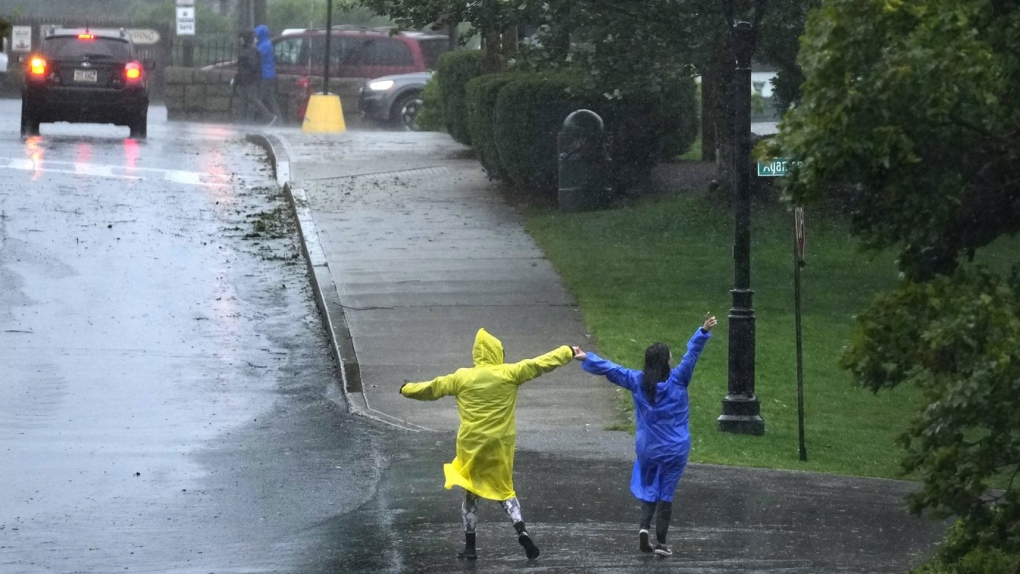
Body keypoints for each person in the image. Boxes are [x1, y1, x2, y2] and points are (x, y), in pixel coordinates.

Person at [399, 328, 577, 561]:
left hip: (470, 446)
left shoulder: (461, 377)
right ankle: (521, 530)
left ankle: (470, 547)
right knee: (505, 490)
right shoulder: (510, 373)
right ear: (497, 353)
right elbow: (540, 363)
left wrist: (406, 388)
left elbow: (432, 388)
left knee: (470, 494)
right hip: (499, 445)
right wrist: (568, 351)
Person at [572, 313, 717, 557]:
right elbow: (692, 355)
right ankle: (661, 543)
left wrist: (587, 357)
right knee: (666, 491)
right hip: (676, 448)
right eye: (670, 355)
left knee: (649, 485)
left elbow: (611, 369)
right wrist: (702, 331)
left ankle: (643, 528)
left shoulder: (637, 381)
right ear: (667, 361)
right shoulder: (679, 380)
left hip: (648, 448)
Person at [233, 30, 273, 123]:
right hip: (244, 79)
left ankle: (268, 116)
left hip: (250, 79)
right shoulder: (246, 50)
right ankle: (240, 120)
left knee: (252, 98)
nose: (240, 40)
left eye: (242, 38)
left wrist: (244, 61)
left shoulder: (252, 51)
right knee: (243, 99)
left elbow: (253, 66)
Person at [253, 24, 282, 125]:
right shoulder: (266, 44)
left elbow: (256, 56)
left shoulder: (263, 46)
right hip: (270, 75)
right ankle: (279, 120)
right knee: (270, 99)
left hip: (265, 76)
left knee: (257, 99)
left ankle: (267, 118)